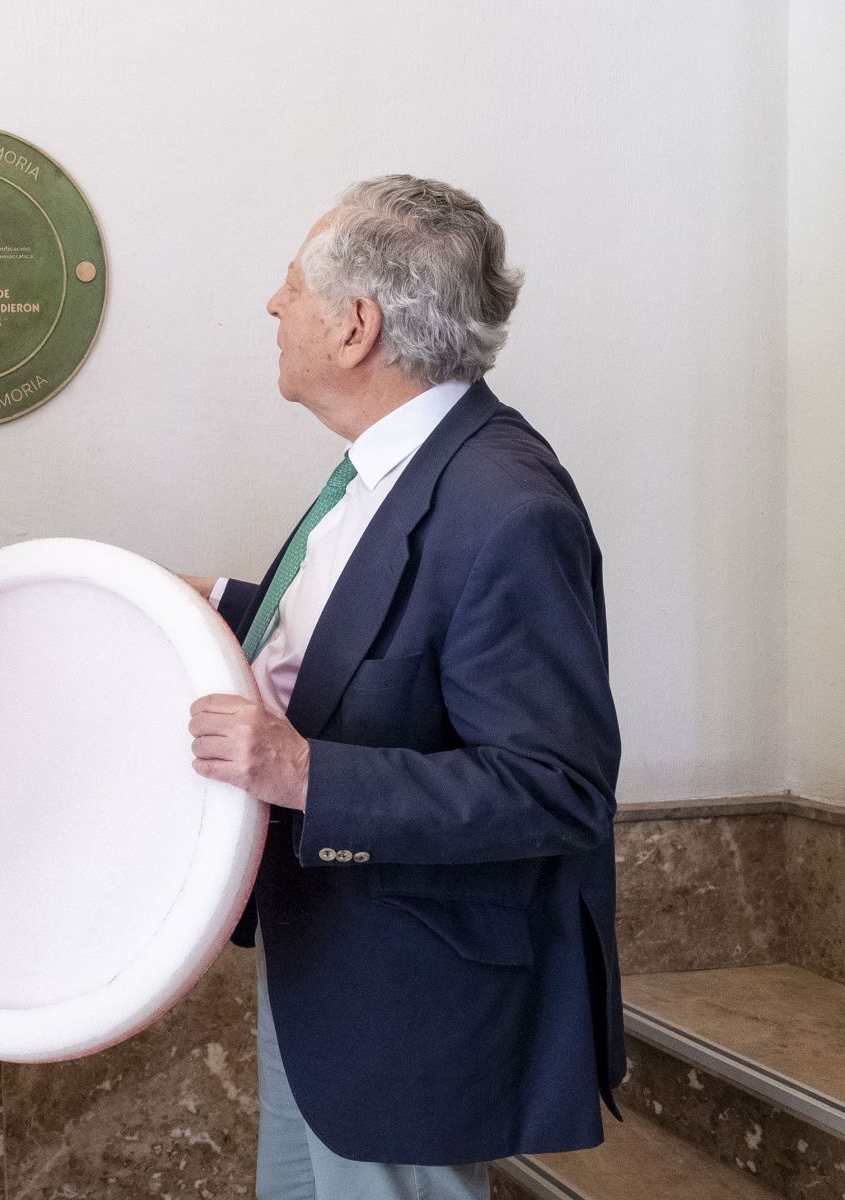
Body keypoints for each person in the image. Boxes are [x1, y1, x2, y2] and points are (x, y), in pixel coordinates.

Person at [179, 175, 623, 1200]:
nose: (273, 305)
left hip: (410, 1003)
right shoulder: (388, 468)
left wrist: (301, 772)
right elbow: (363, 635)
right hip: (323, 971)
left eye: (293, 286)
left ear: (356, 327)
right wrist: (204, 603)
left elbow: (555, 787)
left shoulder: (507, 507)